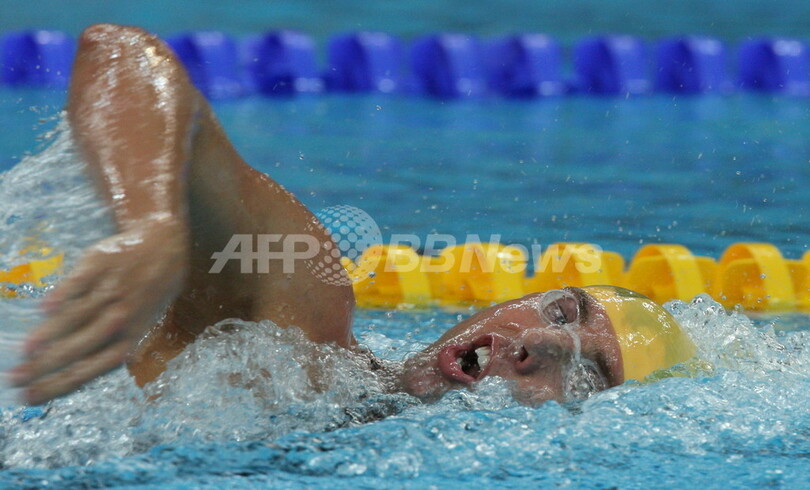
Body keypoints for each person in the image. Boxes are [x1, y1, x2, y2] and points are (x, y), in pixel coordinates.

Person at [7, 24, 696, 407]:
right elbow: (123, 55)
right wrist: (152, 221)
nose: (536, 347)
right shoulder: (296, 312)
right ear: (513, 298)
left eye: (587, 374)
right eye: (559, 312)